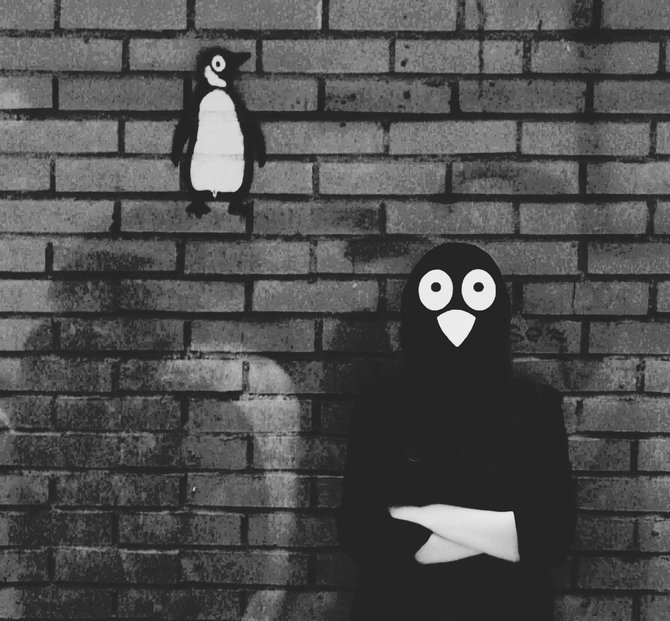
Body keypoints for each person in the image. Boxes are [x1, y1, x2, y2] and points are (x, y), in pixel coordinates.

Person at [338, 243, 576, 620]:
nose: (457, 310)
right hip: (401, 608)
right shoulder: (382, 405)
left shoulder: (535, 408)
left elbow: (552, 537)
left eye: (475, 292)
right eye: (438, 292)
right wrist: (504, 535)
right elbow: (360, 532)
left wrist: (425, 515)